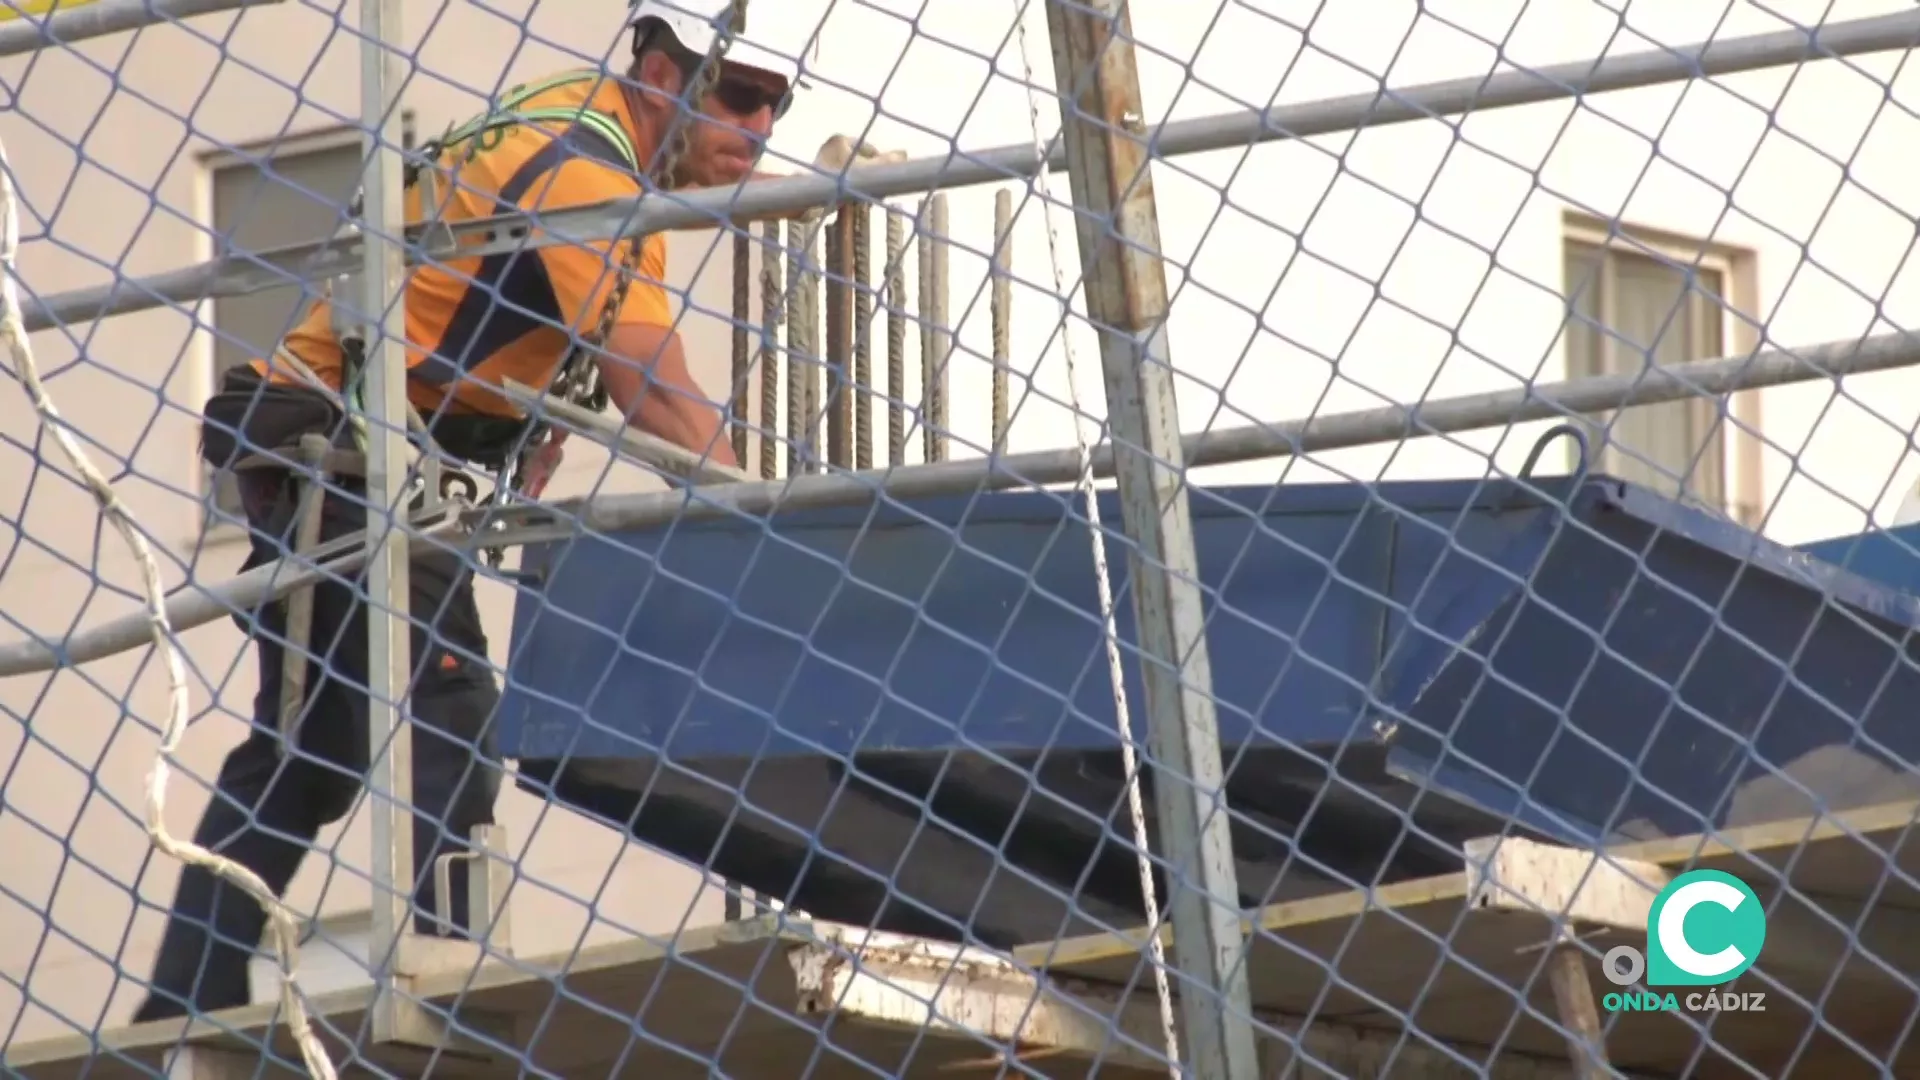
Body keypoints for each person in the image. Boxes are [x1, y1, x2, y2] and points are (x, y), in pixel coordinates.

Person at [134, 0, 891, 1021]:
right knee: (442, 709)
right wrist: (775, 525)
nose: (760, 129)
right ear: (664, 73)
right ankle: (446, 978)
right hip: (347, 453)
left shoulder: (580, 135)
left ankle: (185, 998)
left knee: (310, 747)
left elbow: (531, 324)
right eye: (743, 97)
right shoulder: (586, 171)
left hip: (335, 445)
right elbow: (657, 393)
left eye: (776, 106)